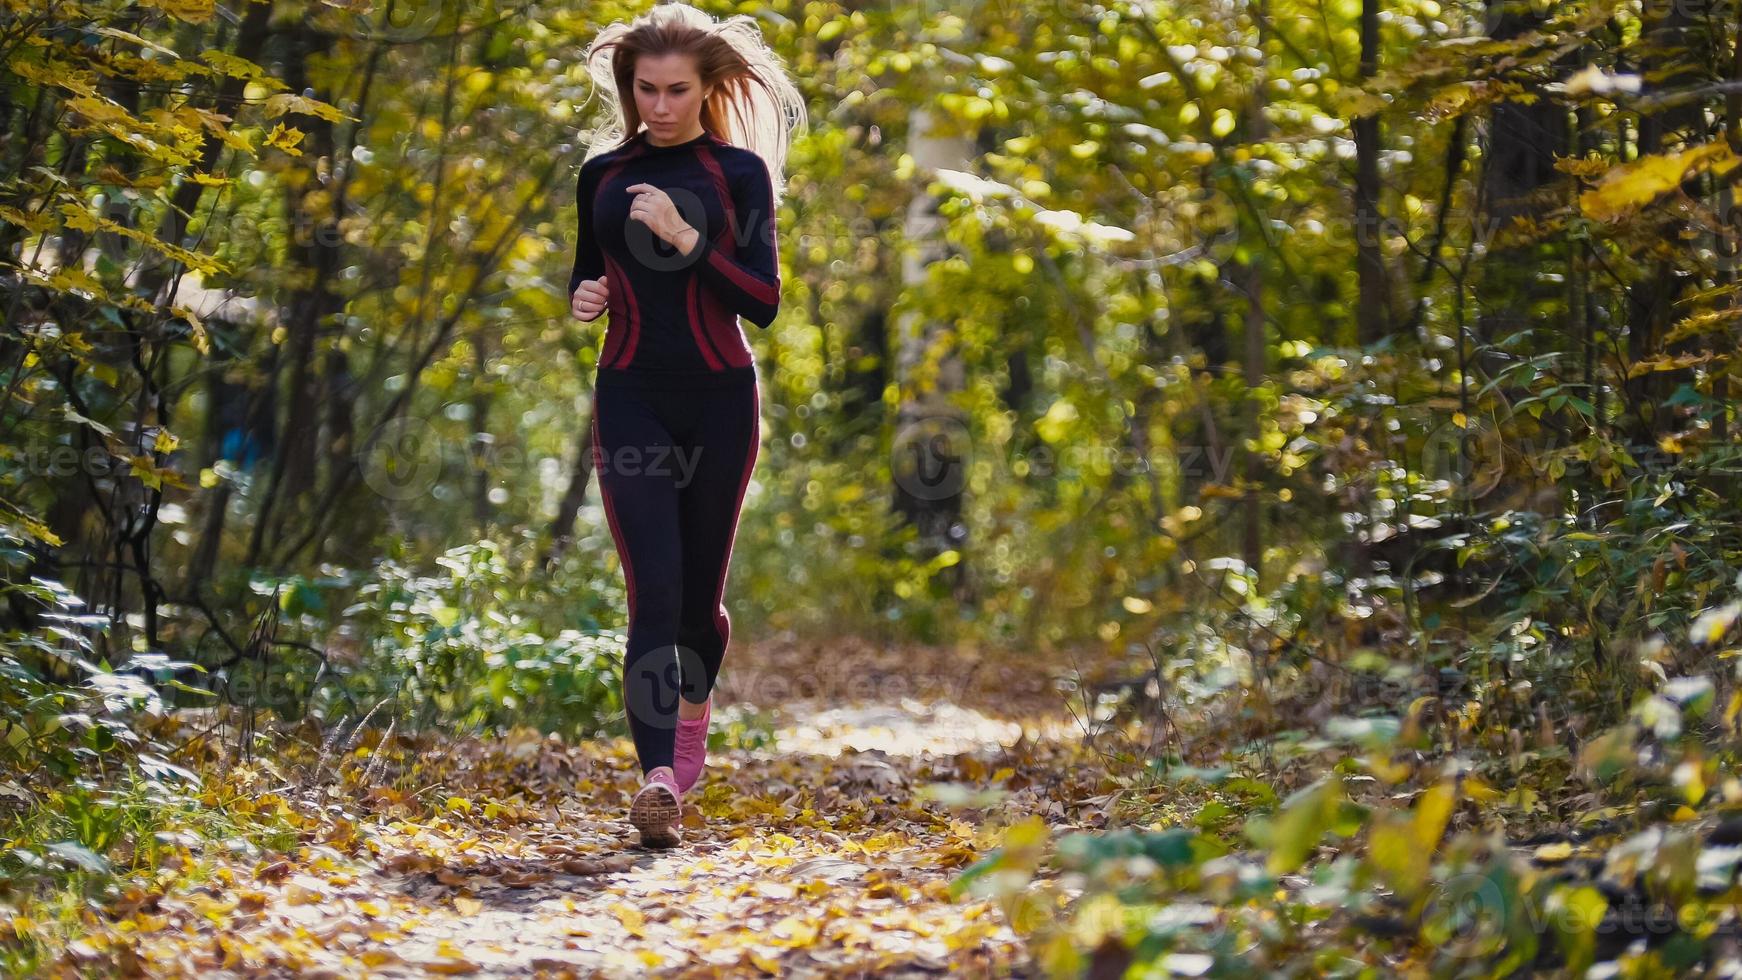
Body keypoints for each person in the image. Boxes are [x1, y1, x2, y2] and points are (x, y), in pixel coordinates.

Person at [568, 2, 805, 848]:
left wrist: (685, 238)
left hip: (719, 398)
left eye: (676, 91)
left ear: (707, 90)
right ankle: (657, 779)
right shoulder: (601, 175)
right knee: (652, 594)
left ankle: (692, 715)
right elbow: (586, 276)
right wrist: (584, 298)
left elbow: (766, 303)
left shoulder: (736, 174)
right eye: (645, 90)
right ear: (628, 89)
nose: (659, 106)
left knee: (698, 610)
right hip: (630, 391)